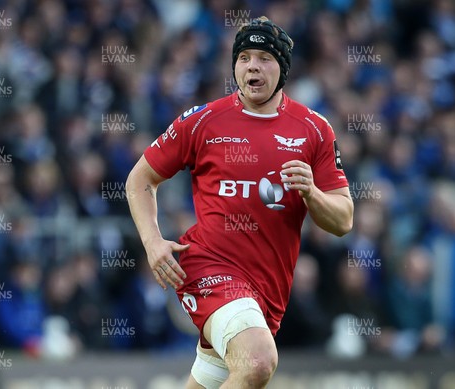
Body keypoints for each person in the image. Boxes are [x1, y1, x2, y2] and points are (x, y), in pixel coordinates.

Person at [126, 16, 353, 389]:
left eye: (264, 57)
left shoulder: (314, 129)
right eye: (244, 56)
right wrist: (152, 243)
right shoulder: (202, 121)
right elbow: (139, 181)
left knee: (227, 376)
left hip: (267, 292)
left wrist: (312, 193)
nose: (252, 66)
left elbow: (343, 220)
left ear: (282, 69)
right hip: (207, 269)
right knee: (259, 361)